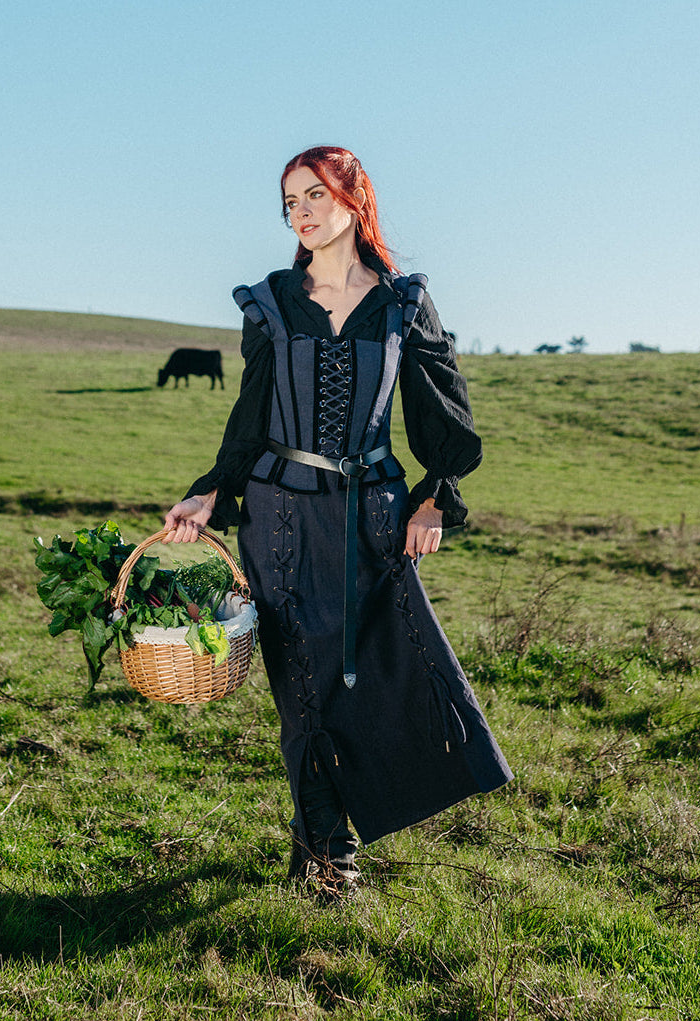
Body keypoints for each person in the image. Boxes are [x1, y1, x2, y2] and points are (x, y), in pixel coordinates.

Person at [163, 146, 512, 899]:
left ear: (354, 199)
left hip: (371, 515)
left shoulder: (401, 303)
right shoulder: (272, 302)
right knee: (303, 685)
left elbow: (445, 416)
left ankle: (348, 818)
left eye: (314, 194)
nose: (302, 212)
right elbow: (250, 416)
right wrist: (210, 493)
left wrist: (434, 498)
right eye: (290, 202)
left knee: (379, 673)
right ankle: (328, 851)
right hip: (279, 514)